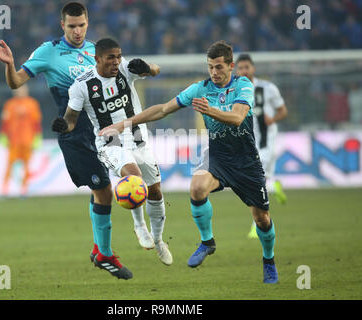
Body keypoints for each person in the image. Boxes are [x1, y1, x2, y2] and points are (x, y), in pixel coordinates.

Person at [99, 41, 278, 283]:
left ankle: (268, 260)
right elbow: (162, 109)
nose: (214, 73)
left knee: (262, 219)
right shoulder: (200, 89)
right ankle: (207, 242)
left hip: (246, 161)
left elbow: (237, 118)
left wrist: (209, 110)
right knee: (196, 188)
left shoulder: (242, 85)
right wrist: (123, 124)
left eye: (219, 67)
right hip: (217, 155)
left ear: (231, 66)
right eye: (210, 67)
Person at [0, 2, 130, 280]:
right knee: (104, 189)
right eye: (71, 26)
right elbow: (16, 83)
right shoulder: (49, 51)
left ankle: (100, 250)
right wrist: (9, 65)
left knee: (105, 190)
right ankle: (103, 254)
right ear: (62, 25)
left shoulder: (97, 50)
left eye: (81, 25)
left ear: (88, 23)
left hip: (103, 130)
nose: (77, 31)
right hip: (74, 132)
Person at [52, 38, 173, 271]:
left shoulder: (126, 68)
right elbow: (70, 120)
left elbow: (156, 71)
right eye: (111, 58)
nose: (116, 62)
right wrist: (62, 126)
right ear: (97, 59)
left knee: (155, 191)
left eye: (119, 56)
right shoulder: (81, 85)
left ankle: (158, 240)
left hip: (138, 138)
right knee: (134, 178)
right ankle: (139, 226)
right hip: (110, 142)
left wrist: (147, 67)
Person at [235, 54, 288, 239]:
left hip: (266, 143)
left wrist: (272, 118)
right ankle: (275, 187)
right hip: (248, 144)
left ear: (253, 68)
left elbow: (283, 111)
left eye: (246, 67)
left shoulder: (268, 88)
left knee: (257, 181)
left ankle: (257, 225)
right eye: (240, 68)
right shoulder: (234, 90)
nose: (243, 71)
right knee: (259, 182)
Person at [0, 84, 42, 197]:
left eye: (23, 89)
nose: (20, 91)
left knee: (27, 166)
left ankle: (24, 189)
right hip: (13, 141)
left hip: (28, 140)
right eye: (18, 89)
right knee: (9, 165)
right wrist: (3, 137)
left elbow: (36, 122)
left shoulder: (32, 104)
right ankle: (4, 190)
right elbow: (5, 122)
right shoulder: (9, 105)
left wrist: (37, 138)